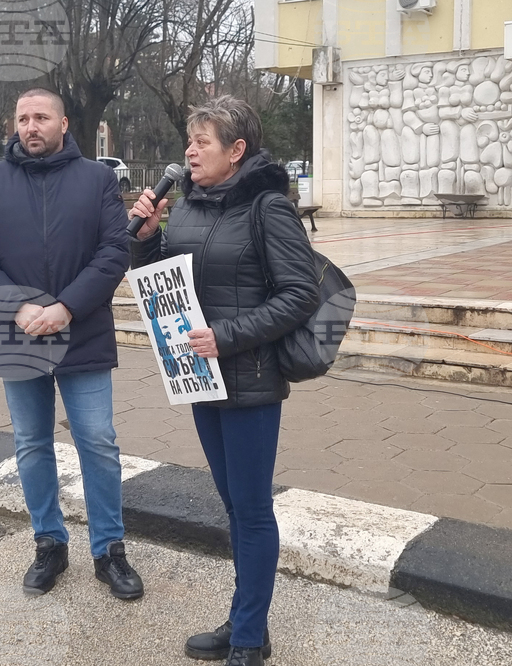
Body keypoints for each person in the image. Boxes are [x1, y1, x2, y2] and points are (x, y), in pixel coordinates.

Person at [129, 96, 319, 666]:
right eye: (189, 141)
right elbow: (159, 280)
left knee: (253, 508)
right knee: (233, 507)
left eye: (203, 141)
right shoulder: (186, 207)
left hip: (251, 380)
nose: (190, 151)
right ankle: (246, 621)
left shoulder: (268, 208)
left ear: (237, 151)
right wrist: (145, 238)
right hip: (200, 380)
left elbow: (300, 294)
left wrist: (228, 336)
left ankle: (248, 640)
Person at [0, 88, 143, 600]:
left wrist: (65, 307)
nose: (31, 126)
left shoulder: (97, 179)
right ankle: (49, 543)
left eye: (41, 117)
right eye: (22, 118)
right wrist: (17, 307)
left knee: (98, 444)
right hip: (17, 332)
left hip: (81, 330)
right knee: (31, 444)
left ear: (64, 124)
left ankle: (109, 550)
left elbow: (114, 250)